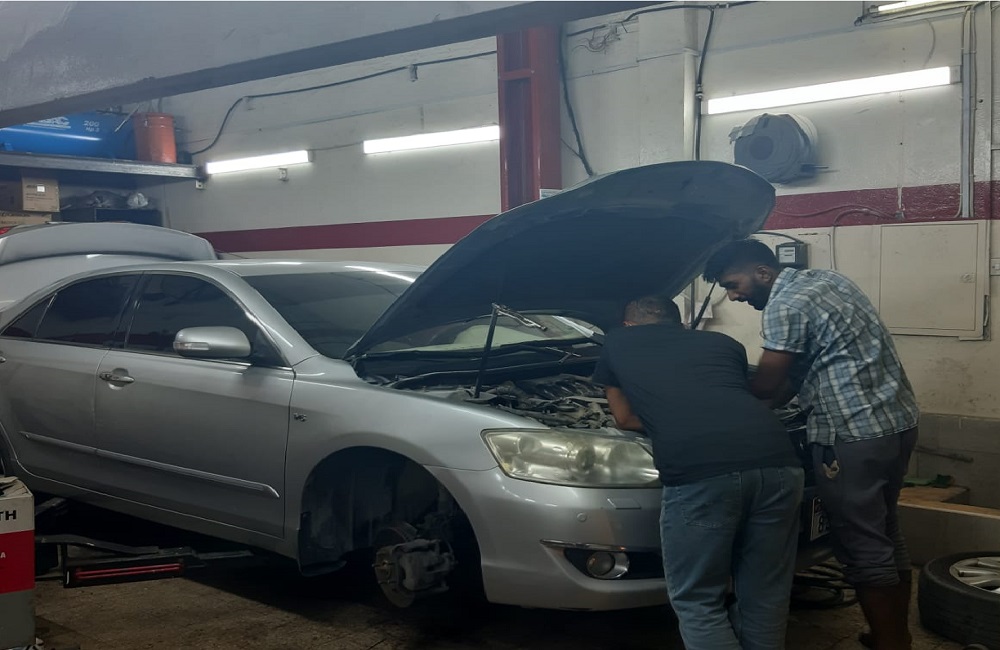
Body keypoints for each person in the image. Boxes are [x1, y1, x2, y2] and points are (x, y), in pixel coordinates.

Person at [703, 239, 920, 650]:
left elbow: (767, 383)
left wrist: (717, 398)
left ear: (763, 273)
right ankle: (893, 635)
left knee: (860, 544)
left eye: (733, 284)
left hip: (850, 434)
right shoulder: (829, 280)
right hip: (896, 423)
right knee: (885, 531)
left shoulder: (785, 306)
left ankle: (892, 643)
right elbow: (796, 374)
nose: (733, 296)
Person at [592, 295, 803, 650]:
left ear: (627, 325)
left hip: (702, 472)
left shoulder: (617, 341)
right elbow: (724, 393)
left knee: (698, 599)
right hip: (780, 462)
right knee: (765, 593)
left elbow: (624, 419)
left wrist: (671, 420)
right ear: (682, 324)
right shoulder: (724, 342)